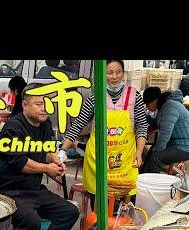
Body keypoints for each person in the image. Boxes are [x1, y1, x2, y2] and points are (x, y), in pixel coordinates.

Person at [0, 83, 79, 230]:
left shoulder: (45, 124)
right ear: (25, 105)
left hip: (34, 189)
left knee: (69, 212)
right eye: (39, 104)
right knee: (32, 222)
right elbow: (21, 163)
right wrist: (46, 168)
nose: (44, 108)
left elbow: (44, 152)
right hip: (9, 191)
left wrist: (54, 162)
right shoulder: (13, 128)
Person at [60, 59, 148, 203]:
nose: (114, 77)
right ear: (102, 74)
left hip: (125, 161)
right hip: (98, 161)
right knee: (99, 206)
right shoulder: (95, 98)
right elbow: (78, 124)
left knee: (123, 210)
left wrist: (139, 151)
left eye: (118, 72)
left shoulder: (134, 96)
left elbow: (142, 126)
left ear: (123, 73)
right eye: (109, 72)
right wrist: (63, 150)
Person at [140, 87, 189, 174]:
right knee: (152, 150)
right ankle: (143, 175)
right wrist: (144, 117)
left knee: (155, 157)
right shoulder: (165, 106)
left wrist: (158, 150)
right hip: (178, 144)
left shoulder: (170, 107)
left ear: (156, 100)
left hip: (188, 147)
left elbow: (165, 133)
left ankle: (152, 183)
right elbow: (158, 122)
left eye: (148, 103)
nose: (146, 106)